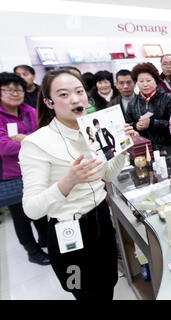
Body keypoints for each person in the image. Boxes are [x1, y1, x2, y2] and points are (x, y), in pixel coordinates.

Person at [19, 69, 138, 300]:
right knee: (83, 290)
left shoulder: (91, 132)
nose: (75, 99)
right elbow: (32, 209)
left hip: (101, 220)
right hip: (69, 230)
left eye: (79, 92)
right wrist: (69, 180)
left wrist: (123, 149)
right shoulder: (36, 143)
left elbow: (108, 176)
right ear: (48, 102)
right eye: (63, 94)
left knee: (108, 282)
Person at [0, 72, 49, 265]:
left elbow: (44, 135)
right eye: (9, 90)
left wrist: (24, 138)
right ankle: (32, 250)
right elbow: (3, 147)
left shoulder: (29, 110)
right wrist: (32, 139)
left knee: (39, 207)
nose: (15, 93)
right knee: (21, 216)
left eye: (18, 89)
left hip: (35, 169)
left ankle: (45, 239)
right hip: (12, 174)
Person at [126, 62, 171, 155]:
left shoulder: (168, 99)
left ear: (156, 81)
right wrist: (136, 126)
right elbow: (128, 124)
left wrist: (151, 123)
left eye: (148, 80)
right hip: (143, 150)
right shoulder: (132, 103)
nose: (145, 84)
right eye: (141, 81)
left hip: (167, 148)